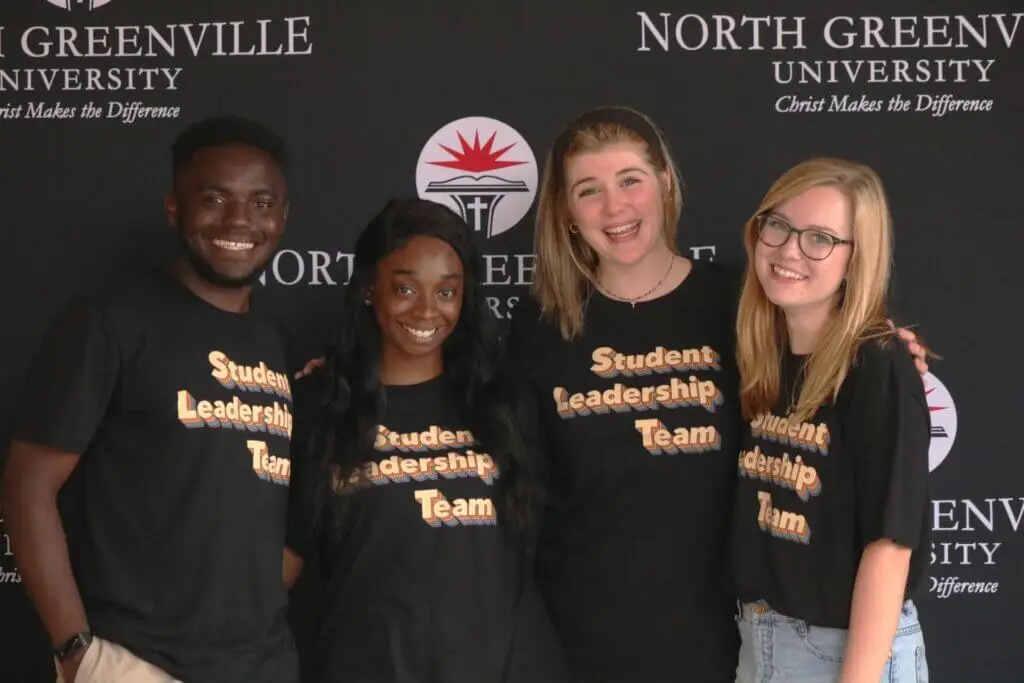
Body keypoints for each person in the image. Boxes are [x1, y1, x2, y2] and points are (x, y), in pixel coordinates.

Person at [502, 106, 930, 682]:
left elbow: (835, 352)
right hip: (585, 643)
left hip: (723, 643)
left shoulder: (743, 303)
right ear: (566, 213)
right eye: (588, 190)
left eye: (631, 180)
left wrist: (890, 348)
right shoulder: (539, 324)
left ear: (666, 184)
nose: (615, 206)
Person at [1, 116, 299, 683]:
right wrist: (77, 653)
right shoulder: (110, 323)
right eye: (214, 198)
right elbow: (27, 487)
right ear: (173, 207)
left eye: (261, 203)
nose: (239, 220)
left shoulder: (278, 344)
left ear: (282, 217)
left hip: (262, 665)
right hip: (137, 662)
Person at [284, 198, 566, 683]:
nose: (427, 310)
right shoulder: (319, 407)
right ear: (371, 289)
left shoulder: (506, 404)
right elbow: (283, 565)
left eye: (446, 291)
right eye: (405, 288)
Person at [731, 158, 930, 683]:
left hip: (845, 653)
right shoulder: (763, 353)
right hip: (760, 641)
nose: (789, 250)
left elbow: (890, 545)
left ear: (856, 259)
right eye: (778, 225)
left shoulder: (878, 363)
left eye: (820, 238)